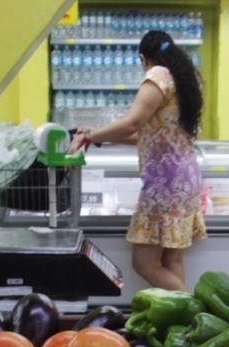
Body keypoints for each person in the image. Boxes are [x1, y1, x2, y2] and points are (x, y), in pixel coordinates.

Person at [70, 30, 205, 291]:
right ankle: (179, 325)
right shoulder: (182, 79)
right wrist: (98, 136)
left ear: (144, 59)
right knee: (171, 257)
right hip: (184, 179)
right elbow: (149, 135)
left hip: (165, 184)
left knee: (144, 263)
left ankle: (192, 308)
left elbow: (133, 123)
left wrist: (90, 134)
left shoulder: (157, 77)